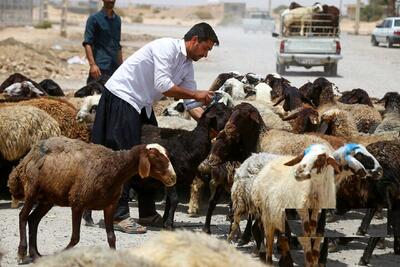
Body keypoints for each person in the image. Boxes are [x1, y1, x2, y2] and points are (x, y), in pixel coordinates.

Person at [83, 22, 219, 234]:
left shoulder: (186, 66)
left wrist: (209, 126)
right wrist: (197, 95)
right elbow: (163, 85)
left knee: (153, 154)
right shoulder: (166, 48)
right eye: (206, 48)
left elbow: (192, 106)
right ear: (194, 41)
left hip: (142, 104)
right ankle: (119, 216)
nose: (206, 54)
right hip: (123, 96)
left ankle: (146, 212)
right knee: (126, 156)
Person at [83, 0, 123, 85]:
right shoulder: (94, 19)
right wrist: (92, 65)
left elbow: (118, 45)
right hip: (99, 69)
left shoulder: (117, 20)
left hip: (114, 69)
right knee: (94, 96)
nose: (111, 0)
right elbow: (87, 43)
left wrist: (121, 67)